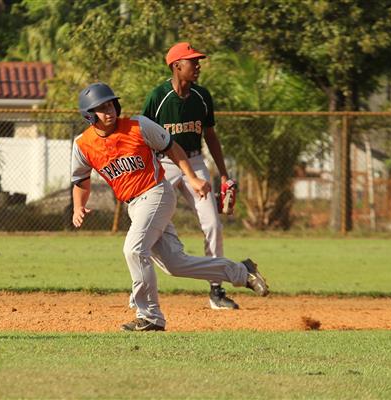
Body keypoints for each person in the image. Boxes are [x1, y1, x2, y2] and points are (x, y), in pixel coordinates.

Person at [71, 82, 269, 332]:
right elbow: (80, 179)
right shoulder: (83, 144)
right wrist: (79, 207)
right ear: (89, 115)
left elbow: (172, 148)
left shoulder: (138, 125)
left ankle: (150, 315)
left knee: (133, 250)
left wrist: (193, 178)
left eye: (110, 104)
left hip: (156, 194)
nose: (108, 110)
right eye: (100, 108)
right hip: (135, 206)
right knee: (176, 265)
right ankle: (242, 271)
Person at [142, 42, 239, 310]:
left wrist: (224, 174)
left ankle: (216, 290)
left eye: (198, 61)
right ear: (176, 66)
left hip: (195, 161)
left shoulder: (202, 96)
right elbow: (144, 136)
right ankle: (141, 286)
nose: (197, 66)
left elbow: (210, 135)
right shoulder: (157, 97)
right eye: (192, 61)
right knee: (148, 222)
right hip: (164, 163)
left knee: (213, 224)